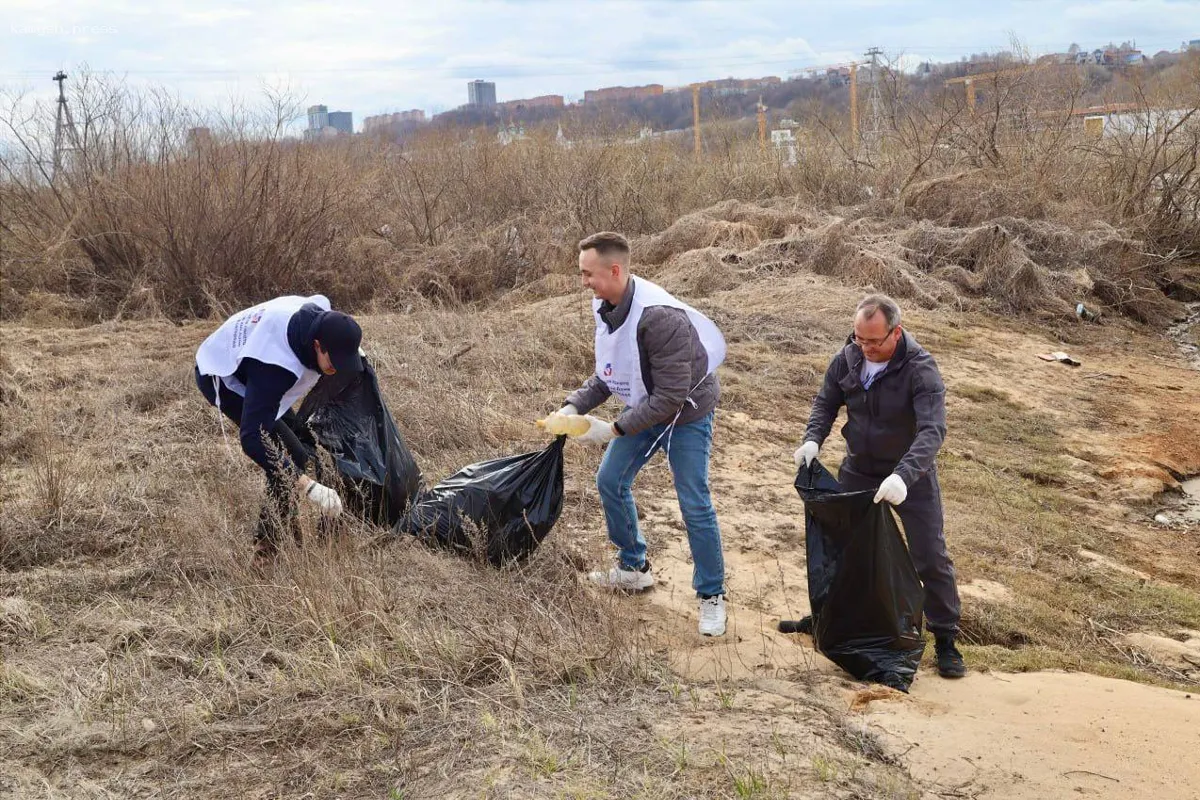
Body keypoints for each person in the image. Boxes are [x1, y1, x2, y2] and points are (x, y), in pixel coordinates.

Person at [555, 231, 729, 637]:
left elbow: (669, 397)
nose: (584, 283)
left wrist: (612, 428)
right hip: (649, 401)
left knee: (693, 500)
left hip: (686, 411)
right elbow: (610, 370)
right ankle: (634, 568)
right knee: (610, 480)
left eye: (588, 274)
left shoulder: (660, 318)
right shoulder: (607, 303)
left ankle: (711, 596)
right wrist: (574, 405)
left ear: (615, 270)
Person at [792, 294, 965, 678]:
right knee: (844, 551)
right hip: (859, 469)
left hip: (911, 477)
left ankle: (946, 638)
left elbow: (932, 431)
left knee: (929, 556)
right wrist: (812, 439)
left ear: (895, 332)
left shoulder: (921, 370)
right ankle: (828, 617)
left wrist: (904, 476)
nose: (866, 348)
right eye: (859, 339)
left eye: (874, 341)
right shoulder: (849, 357)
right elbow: (826, 402)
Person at [194, 294, 363, 561]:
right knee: (288, 453)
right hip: (222, 375)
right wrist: (309, 488)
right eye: (334, 363)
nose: (335, 370)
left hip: (256, 361)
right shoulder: (275, 368)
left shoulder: (320, 318)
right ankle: (266, 549)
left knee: (302, 444)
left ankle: (284, 519)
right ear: (317, 346)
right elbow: (252, 438)